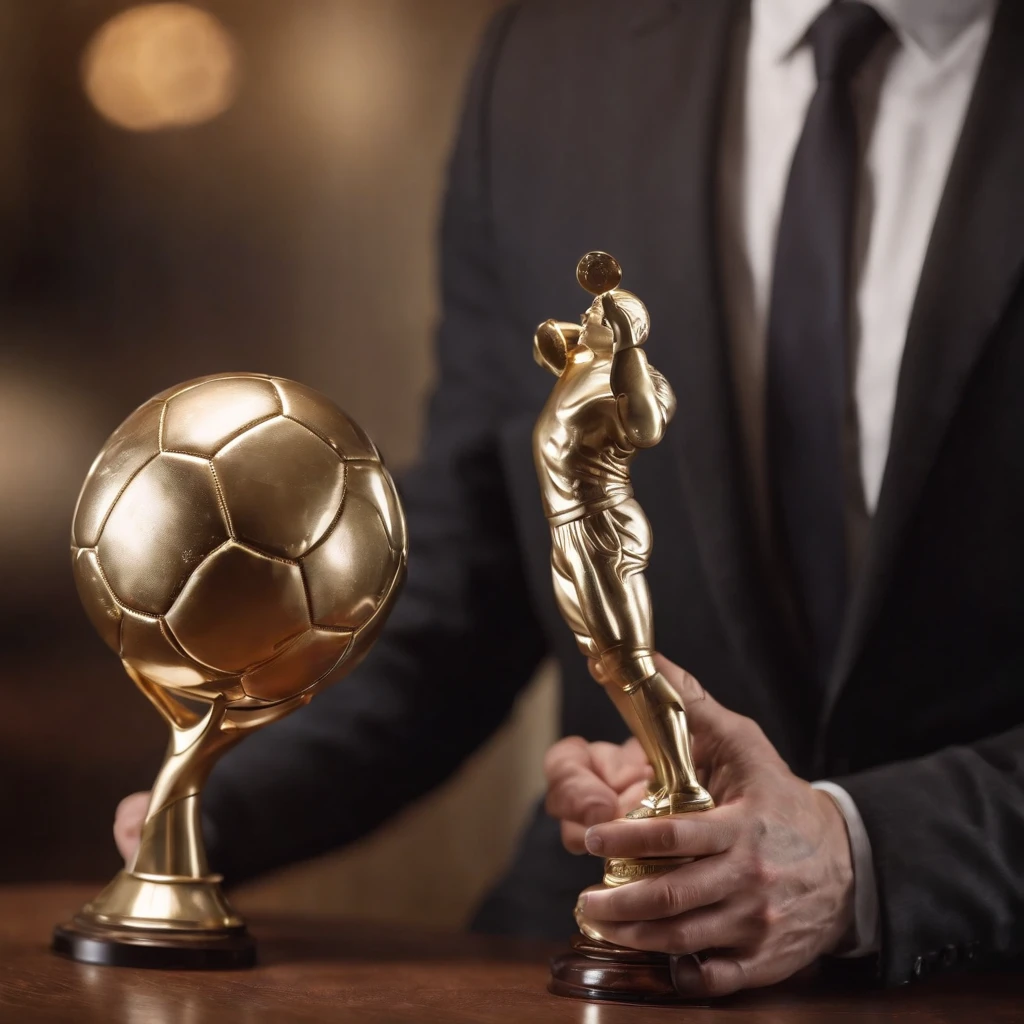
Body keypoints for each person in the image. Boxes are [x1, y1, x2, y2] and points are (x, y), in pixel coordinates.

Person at [115, 0, 1024, 996]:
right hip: (593, 951)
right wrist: (195, 811)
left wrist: (866, 852)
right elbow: (466, 590)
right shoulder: (550, 59)